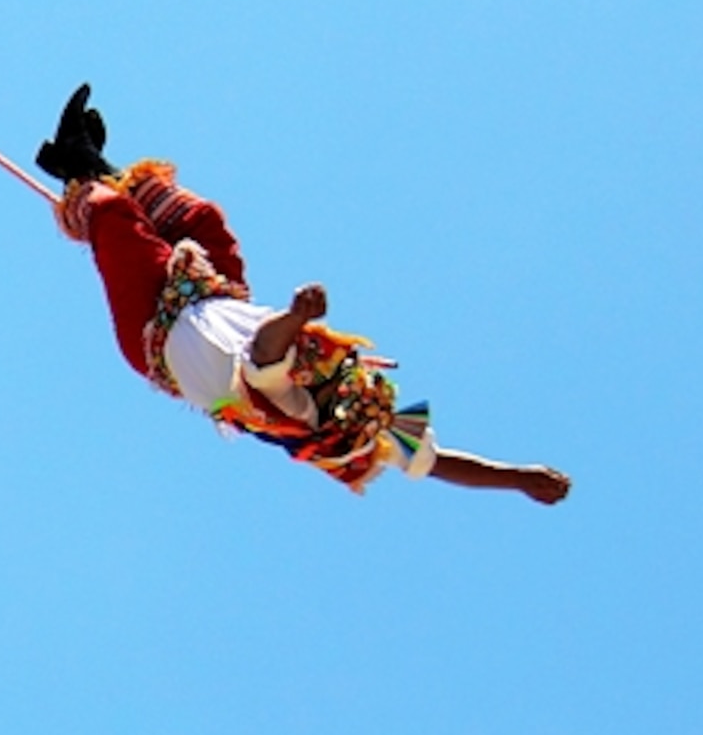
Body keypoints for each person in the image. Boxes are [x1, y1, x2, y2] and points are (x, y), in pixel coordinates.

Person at [37, 87, 573, 502]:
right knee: (203, 222)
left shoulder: (291, 407)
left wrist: (297, 317)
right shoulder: (349, 401)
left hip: (159, 331)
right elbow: (435, 462)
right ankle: (92, 162)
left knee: (111, 214)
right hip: (213, 298)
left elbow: (266, 352)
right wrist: (519, 477)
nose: (343, 379)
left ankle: (78, 173)